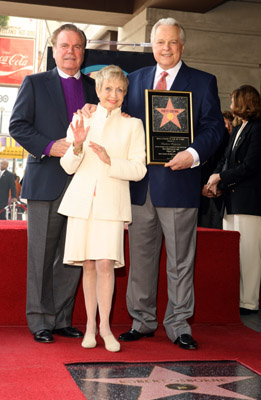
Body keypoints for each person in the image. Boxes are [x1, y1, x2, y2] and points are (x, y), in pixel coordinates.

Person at [116, 17, 224, 350]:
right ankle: (142, 320)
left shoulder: (203, 82)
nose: (166, 48)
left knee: (180, 261)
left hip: (179, 183)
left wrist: (191, 154)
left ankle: (178, 324)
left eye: (172, 42)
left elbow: (214, 129)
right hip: (141, 186)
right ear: (152, 45)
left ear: (182, 45)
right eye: (160, 42)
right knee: (142, 259)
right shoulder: (133, 81)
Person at [9, 24, 98, 343]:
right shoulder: (34, 83)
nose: (70, 51)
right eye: (64, 45)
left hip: (84, 184)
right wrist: (50, 146)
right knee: (41, 256)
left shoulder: (95, 88)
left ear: (83, 52)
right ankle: (40, 320)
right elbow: (17, 125)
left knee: (72, 255)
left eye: (76, 46)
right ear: (54, 49)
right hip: (46, 180)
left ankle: (61, 319)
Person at [58, 65, 146, 352]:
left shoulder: (133, 124)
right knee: (89, 265)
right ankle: (90, 328)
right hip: (83, 202)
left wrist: (110, 160)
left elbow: (138, 170)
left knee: (106, 264)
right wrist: (78, 145)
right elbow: (67, 165)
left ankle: (106, 328)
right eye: (108, 88)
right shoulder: (81, 118)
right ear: (98, 90)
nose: (114, 94)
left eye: (120, 90)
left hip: (112, 203)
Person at [207, 85, 261, 316]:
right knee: (235, 253)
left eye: (232, 101)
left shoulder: (258, 129)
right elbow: (226, 160)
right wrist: (216, 183)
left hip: (249, 202)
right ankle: (237, 299)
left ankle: (249, 302)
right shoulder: (240, 128)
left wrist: (221, 177)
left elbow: (250, 166)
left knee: (249, 253)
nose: (230, 106)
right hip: (231, 200)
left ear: (243, 102)